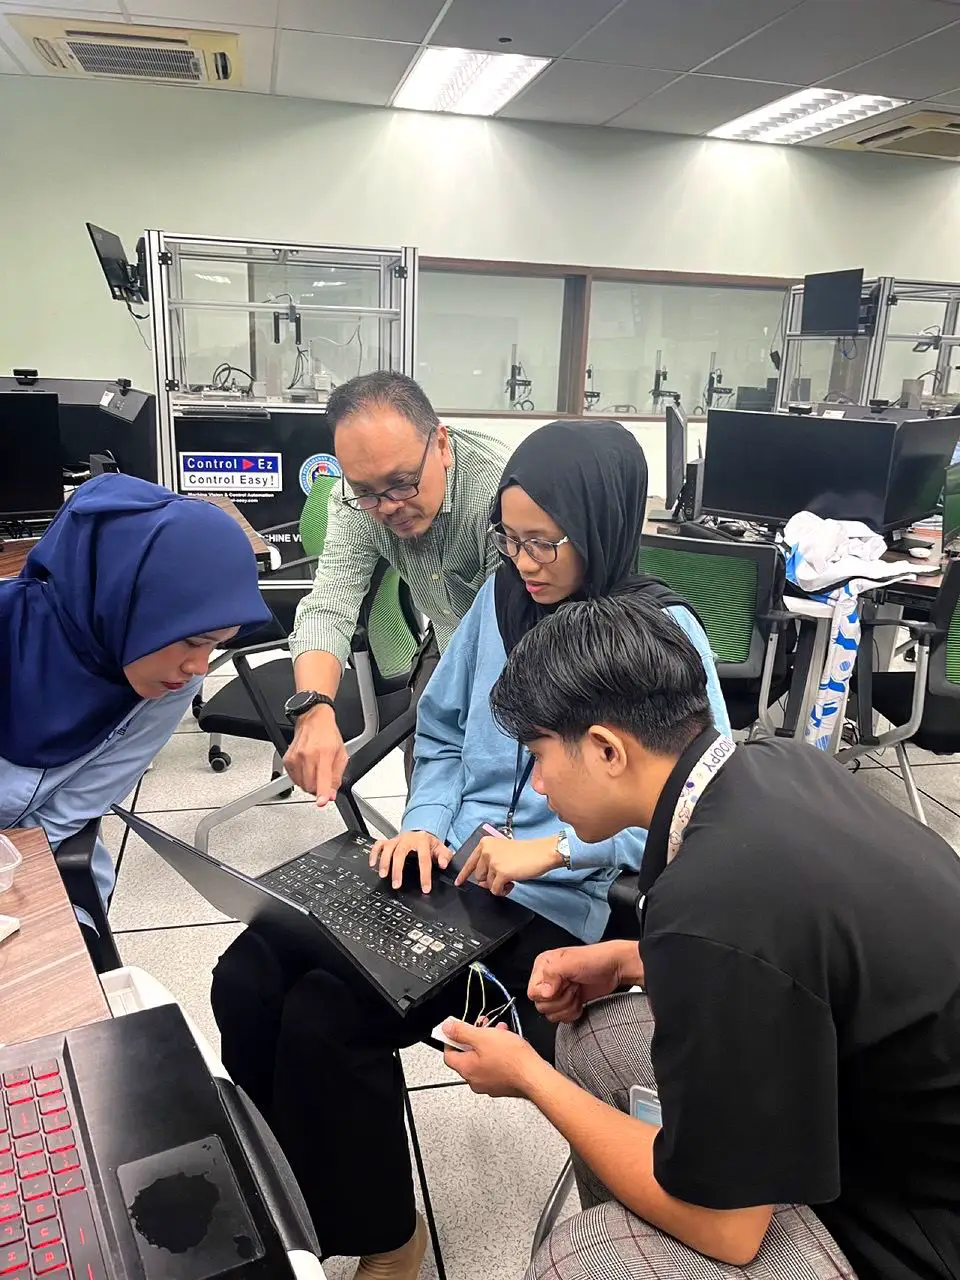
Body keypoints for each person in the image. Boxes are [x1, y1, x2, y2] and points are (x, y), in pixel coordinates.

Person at [210, 421, 730, 1280]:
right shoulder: (502, 599)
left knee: (324, 1016)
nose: (523, 563)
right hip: (448, 871)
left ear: (599, 525)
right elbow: (444, 729)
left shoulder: (660, 637)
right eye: (509, 539)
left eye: (542, 543)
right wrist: (422, 822)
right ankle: (287, 1209)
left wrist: (553, 850)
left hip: (551, 908)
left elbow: (694, 805)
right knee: (248, 975)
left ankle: (385, 1236)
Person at [439, 592, 960, 1280]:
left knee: (580, 1259)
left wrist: (528, 1076)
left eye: (538, 755)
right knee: (596, 1036)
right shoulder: (773, 764)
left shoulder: (710, 903)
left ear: (607, 750)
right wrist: (633, 959)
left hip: (916, 1226)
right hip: (875, 1110)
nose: (538, 784)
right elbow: (794, 959)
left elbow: (730, 1229)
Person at [0, 473, 271, 949]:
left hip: (36, 878)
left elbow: (69, 813)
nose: (198, 667)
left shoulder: (167, 685)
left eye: (216, 647)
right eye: (193, 641)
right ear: (125, 600)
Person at [283, 371, 508, 799]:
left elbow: (507, 638)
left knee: (497, 788)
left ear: (441, 445)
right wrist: (314, 708)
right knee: (426, 781)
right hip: (447, 634)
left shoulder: (500, 492)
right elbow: (329, 605)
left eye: (402, 483)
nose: (387, 507)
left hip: (517, 647)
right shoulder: (353, 500)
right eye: (366, 491)